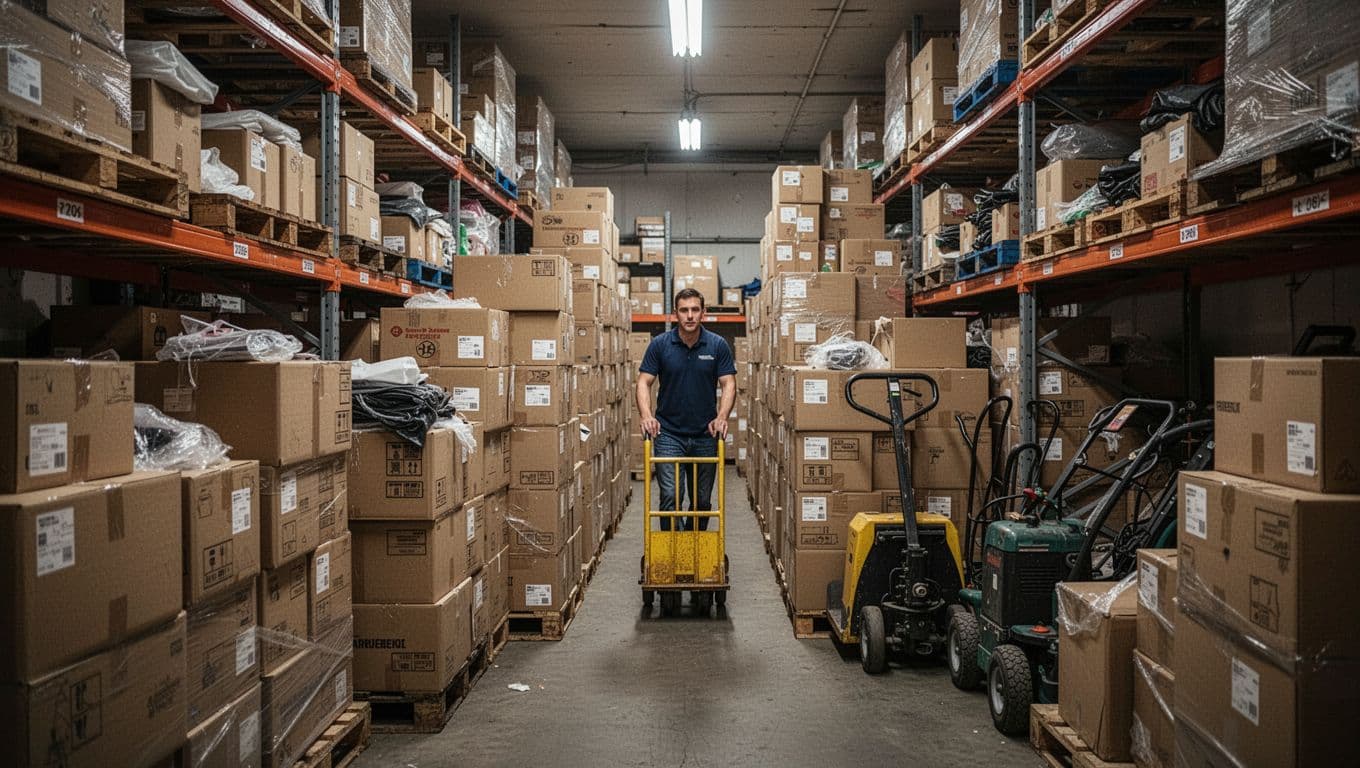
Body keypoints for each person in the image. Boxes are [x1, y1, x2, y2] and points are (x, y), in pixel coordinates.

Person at [636, 287, 737, 531]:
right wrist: (647, 416)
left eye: (694, 310)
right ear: (675, 314)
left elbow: (729, 383)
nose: (690, 315)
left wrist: (722, 417)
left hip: (706, 433)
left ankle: (694, 550)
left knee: (702, 501)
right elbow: (643, 382)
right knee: (670, 497)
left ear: (703, 313)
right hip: (669, 434)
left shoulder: (717, 345)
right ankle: (673, 555)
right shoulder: (660, 345)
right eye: (684, 310)